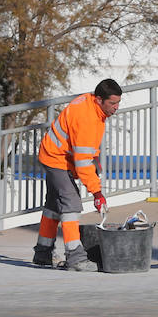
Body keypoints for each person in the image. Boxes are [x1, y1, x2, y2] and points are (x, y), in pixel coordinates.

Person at [32, 79, 122, 271]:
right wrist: (97, 193)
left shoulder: (93, 107)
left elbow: (86, 148)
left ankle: (42, 252)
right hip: (56, 158)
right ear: (99, 99)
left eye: (118, 103)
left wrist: (95, 160)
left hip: (55, 154)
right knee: (71, 204)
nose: (116, 108)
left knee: (53, 207)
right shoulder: (87, 118)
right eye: (112, 103)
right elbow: (82, 163)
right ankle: (76, 258)